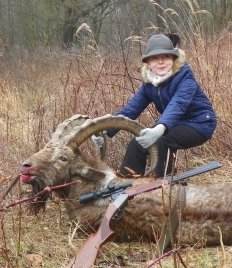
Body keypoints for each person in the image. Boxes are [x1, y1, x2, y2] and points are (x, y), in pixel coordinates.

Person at [93, 34, 217, 177]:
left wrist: (159, 129)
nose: (161, 62)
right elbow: (131, 109)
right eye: (155, 58)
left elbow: (177, 106)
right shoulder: (149, 83)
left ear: (173, 58)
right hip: (173, 124)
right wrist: (104, 129)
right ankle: (127, 186)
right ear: (148, 63)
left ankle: (162, 187)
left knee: (162, 141)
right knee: (137, 144)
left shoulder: (185, 77)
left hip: (200, 123)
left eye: (166, 57)